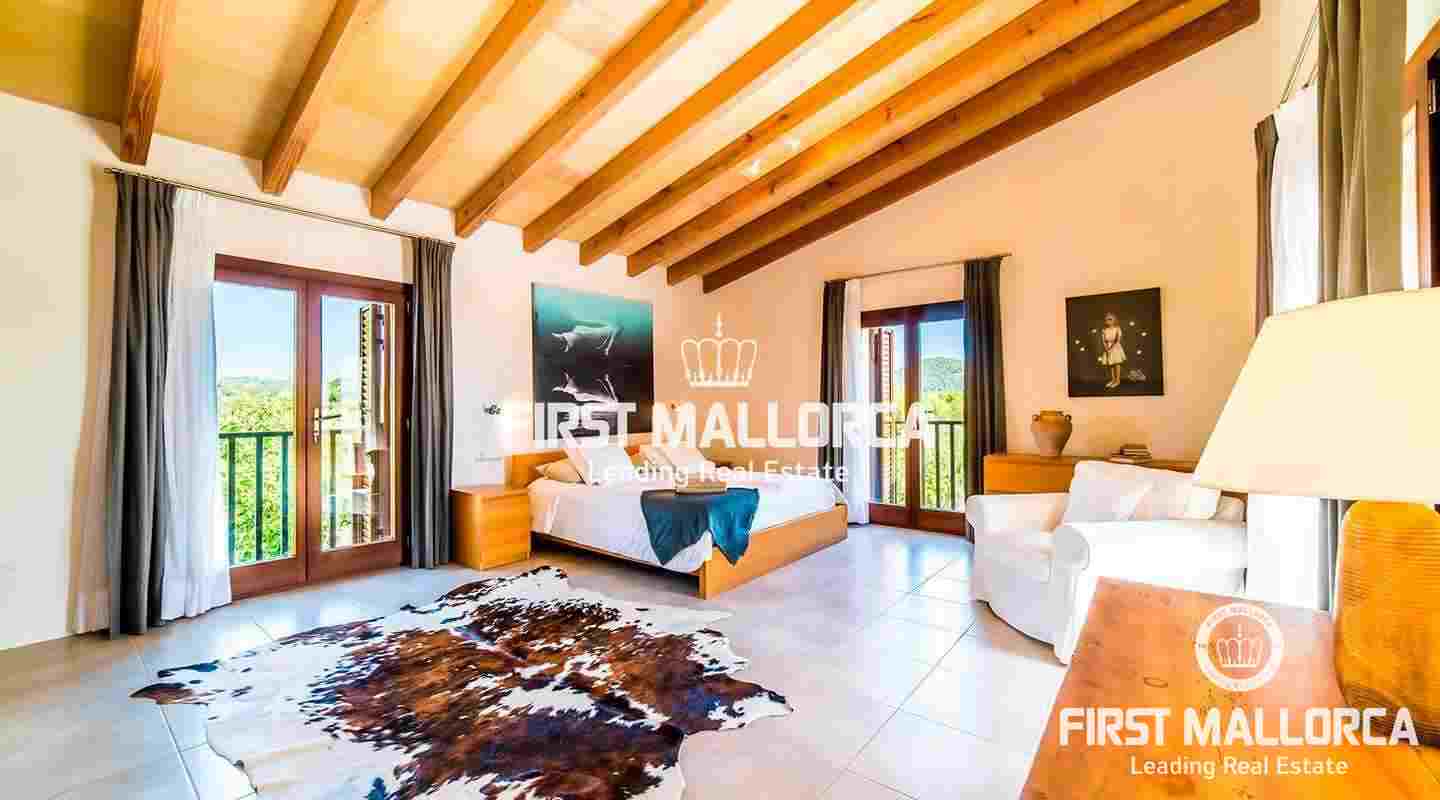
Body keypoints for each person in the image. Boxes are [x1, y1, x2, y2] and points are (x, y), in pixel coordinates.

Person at [1097, 312, 1126, 389]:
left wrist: (1112, 347)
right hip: (1108, 347)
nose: (1108, 321)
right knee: (1110, 364)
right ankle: (1113, 380)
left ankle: (1117, 380)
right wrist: (1106, 348)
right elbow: (1104, 340)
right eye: (1107, 320)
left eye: (1110, 319)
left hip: (1115, 347)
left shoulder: (1117, 329)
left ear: (1114, 320)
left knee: (1116, 364)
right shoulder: (1104, 330)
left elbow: (1118, 339)